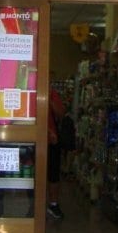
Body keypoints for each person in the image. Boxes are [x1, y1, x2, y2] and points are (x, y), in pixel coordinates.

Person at [47, 85, 67, 220]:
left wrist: (48, 99)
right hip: (35, 139)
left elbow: (61, 114)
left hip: (52, 141)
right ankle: (33, 202)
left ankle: (53, 204)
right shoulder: (28, 91)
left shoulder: (52, 94)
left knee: (53, 173)